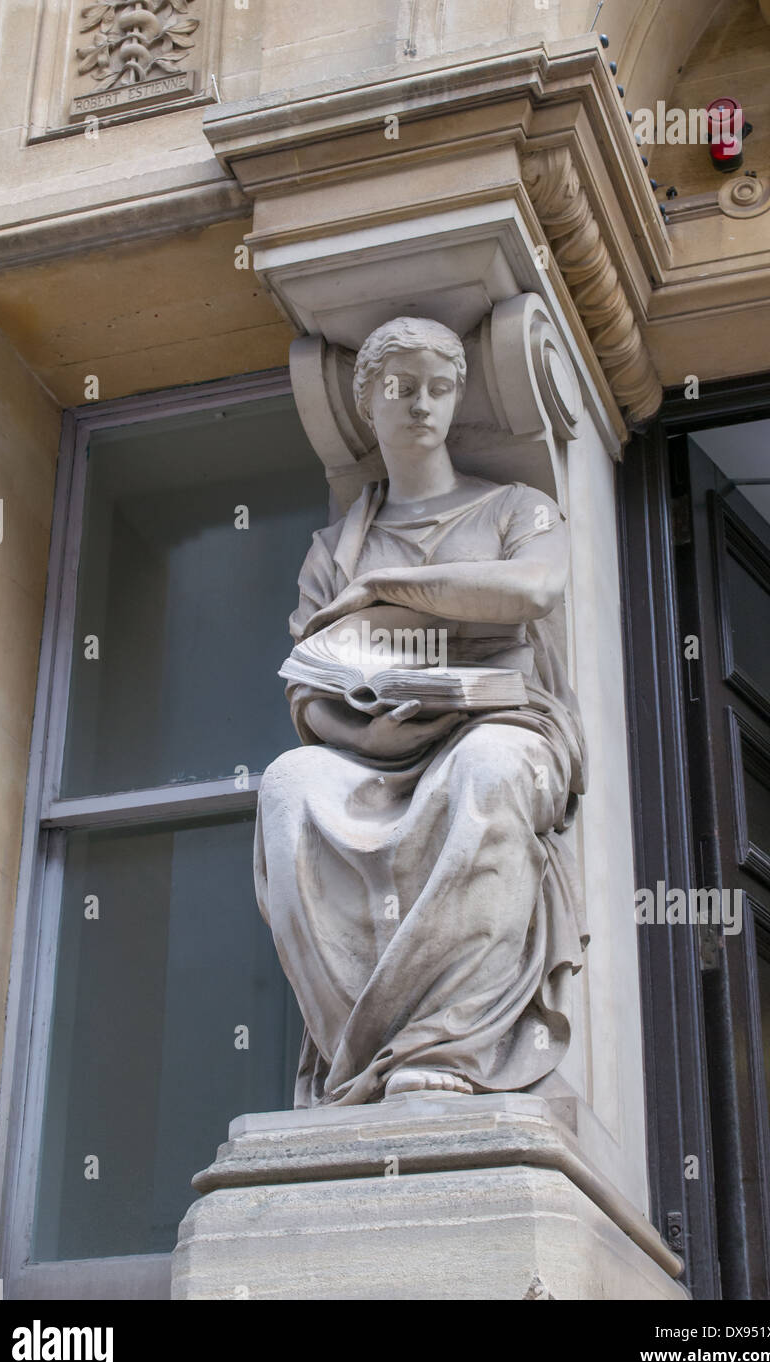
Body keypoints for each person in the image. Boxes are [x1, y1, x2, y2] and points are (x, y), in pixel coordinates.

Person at [254, 316, 587, 1107]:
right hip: (377, 739)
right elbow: (310, 685)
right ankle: (362, 1053)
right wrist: (373, 726)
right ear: (367, 403)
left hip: (504, 718)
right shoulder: (336, 545)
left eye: (441, 388)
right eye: (402, 388)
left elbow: (533, 589)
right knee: (289, 783)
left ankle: (448, 1040)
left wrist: (380, 592)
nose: (423, 406)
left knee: (485, 767)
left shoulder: (516, 507)